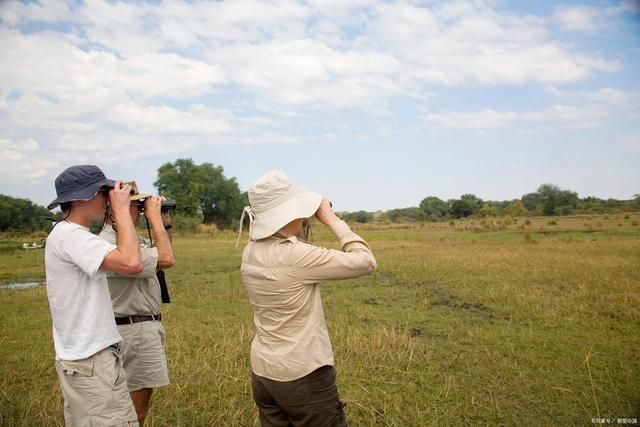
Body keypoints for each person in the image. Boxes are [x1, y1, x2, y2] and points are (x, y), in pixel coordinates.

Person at [237, 170, 377, 427]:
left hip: (264, 371)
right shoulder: (296, 256)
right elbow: (366, 262)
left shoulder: (250, 251)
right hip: (303, 374)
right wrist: (332, 219)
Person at [45, 165, 142, 426]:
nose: (106, 199)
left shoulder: (66, 234)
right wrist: (122, 211)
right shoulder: (71, 237)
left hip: (83, 360)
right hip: (91, 363)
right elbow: (132, 262)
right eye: (102, 192)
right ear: (81, 198)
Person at [99, 182, 175, 426]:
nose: (141, 211)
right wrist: (153, 217)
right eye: (135, 206)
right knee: (134, 411)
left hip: (140, 328)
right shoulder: (112, 244)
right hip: (133, 331)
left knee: (137, 407)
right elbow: (165, 259)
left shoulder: (130, 239)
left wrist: (164, 219)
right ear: (113, 210)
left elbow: (164, 248)